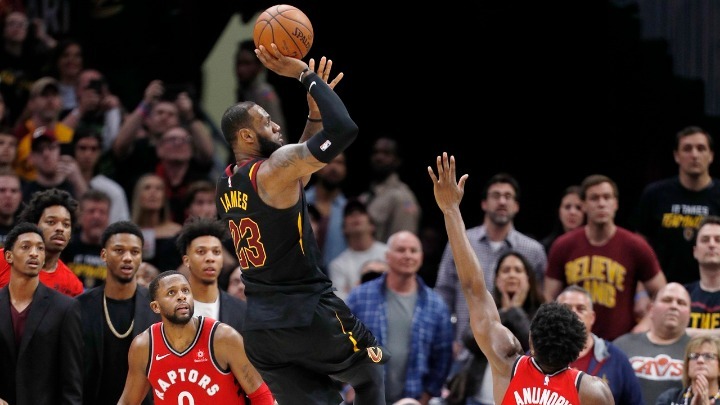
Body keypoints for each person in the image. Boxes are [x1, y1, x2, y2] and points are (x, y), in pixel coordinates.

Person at [215, 46, 387, 404]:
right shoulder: (273, 169)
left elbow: (300, 171)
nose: (276, 125)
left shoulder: (227, 183)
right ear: (247, 136)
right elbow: (344, 130)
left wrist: (313, 114)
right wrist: (304, 76)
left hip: (261, 331)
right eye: (266, 121)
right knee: (370, 373)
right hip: (307, 312)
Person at [428, 152, 613, 404]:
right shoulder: (593, 391)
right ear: (578, 348)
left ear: (531, 341)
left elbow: (473, 288)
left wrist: (450, 210)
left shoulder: (508, 365)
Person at [434, 171, 547, 370]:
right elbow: (443, 293)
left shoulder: (533, 250)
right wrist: (448, 338)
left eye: (508, 196)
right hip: (465, 350)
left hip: (521, 354)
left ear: (517, 206)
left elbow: (541, 302)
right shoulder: (461, 242)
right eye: (496, 196)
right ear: (484, 203)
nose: (502, 201)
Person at [117, 270, 275, 404]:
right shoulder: (144, 346)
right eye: (171, 292)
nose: (181, 296)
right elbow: (128, 402)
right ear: (155, 307)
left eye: (185, 291)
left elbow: (262, 395)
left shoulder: (223, 338)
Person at [544, 173, 667, 341]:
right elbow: (548, 298)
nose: (601, 203)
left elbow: (662, 292)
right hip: (572, 342)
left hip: (620, 343)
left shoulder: (635, 245)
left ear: (616, 203)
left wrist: (645, 325)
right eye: (594, 198)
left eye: (607, 197)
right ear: (584, 205)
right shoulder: (563, 245)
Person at [346, 230, 454, 404]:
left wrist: (426, 395)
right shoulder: (359, 297)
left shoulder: (436, 305)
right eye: (401, 250)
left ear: (421, 257)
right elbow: (339, 343)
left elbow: (443, 356)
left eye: (413, 250)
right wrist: (348, 386)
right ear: (387, 256)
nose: (408, 255)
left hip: (413, 398)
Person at [76, 220, 160, 405]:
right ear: (104, 255)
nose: (128, 258)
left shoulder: (157, 307)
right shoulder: (79, 307)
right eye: (119, 250)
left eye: (135, 252)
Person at [0, 222, 82, 404]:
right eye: (26, 247)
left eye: (40, 248)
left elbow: (71, 382)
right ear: (9, 256)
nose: (34, 253)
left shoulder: (65, 308)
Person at [451, 250, 545, 405]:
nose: (512, 275)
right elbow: (469, 339)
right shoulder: (485, 308)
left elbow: (535, 348)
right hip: (478, 397)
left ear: (528, 279)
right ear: (496, 279)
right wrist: (503, 313)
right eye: (506, 270)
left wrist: (515, 312)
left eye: (518, 270)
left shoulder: (542, 313)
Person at [634, 125, 720, 285]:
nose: (694, 155)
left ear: (711, 156)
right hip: (663, 289)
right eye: (687, 149)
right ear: (676, 156)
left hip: (714, 290)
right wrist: (641, 291)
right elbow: (639, 248)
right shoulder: (655, 194)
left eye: (701, 148)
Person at [557, 285, 645, 404]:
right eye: (566, 309)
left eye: (581, 309)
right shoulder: (540, 356)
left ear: (592, 317)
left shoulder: (617, 359)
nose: (573, 314)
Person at [613, 282, 692, 404]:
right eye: (667, 300)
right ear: (651, 309)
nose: (674, 306)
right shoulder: (622, 345)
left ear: (689, 313)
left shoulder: (698, 352)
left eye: (681, 303)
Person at [0, 187, 83, 296]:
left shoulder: (73, 286)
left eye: (66, 224)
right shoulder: (3, 260)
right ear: (35, 226)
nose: (60, 229)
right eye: (51, 222)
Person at [176, 217, 247, 332]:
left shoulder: (241, 310)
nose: (210, 258)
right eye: (201, 252)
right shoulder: (168, 308)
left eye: (216, 252)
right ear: (186, 261)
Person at [358, 137, 421, 243]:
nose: (379, 157)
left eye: (386, 153)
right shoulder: (365, 196)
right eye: (376, 152)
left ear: (397, 160)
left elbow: (403, 243)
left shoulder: (403, 197)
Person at [328, 198, 388, 302]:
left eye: (361, 212)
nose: (355, 215)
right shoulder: (337, 265)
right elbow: (340, 302)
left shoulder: (390, 253)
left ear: (372, 225)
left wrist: (354, 290)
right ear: (344, 229)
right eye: (350, 214)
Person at [234, 39, 287, 143]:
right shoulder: (244, 91)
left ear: (259, 66)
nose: (241, 69)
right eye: (239, 63)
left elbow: (277, 130)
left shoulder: (264, 93)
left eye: (247, 63)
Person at [305, 152, 349, 268]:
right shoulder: (299, 202)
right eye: (329, 161)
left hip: (338, 275)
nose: (334, 167)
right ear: (316, 167)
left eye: (339, 163)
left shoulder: (349, 210)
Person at [655, 334, 720, 405]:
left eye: (708, 356)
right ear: (687, 365)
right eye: (694, 356)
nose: (700, 360)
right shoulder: (670, 398)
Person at [687, 215, 720, 334]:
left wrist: (687, 332)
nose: (711, 245)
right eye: (705, 240)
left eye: (718, 240)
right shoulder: (682, 295)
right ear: (695, 251)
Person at [540, 185, 584, 254]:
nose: (572, 212)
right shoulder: (545, 247)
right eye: (567, 207)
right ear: (559, 211)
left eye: (578, 208)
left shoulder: (594, 244)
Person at [0, 170, 23, 247]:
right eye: (2, 190)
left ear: (20, 196)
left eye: (14, 191)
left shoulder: (27, 230)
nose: (8, 195)